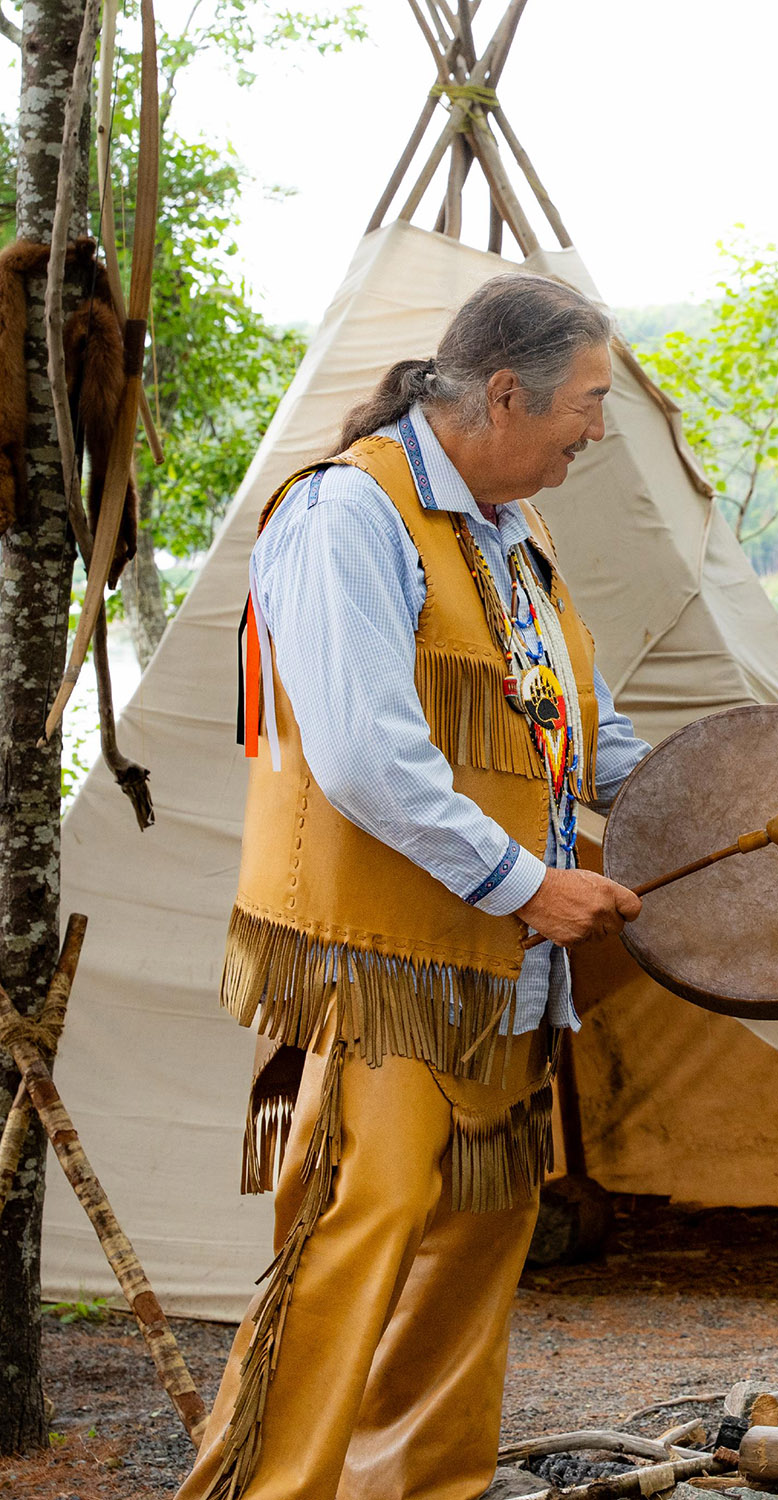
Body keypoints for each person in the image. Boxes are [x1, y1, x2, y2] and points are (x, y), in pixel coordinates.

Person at [179, 274, 650, 1500]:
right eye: (587, 403)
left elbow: (574, 732)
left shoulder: (512, 531)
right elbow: (364, 756)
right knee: (354, 1237)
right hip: (385, 966)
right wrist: (531, 887)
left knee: (473, 1246)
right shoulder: (350, 515)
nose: (594, 430)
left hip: (503, 971)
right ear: (505, 392)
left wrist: (717, 791)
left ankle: (423, 1490)